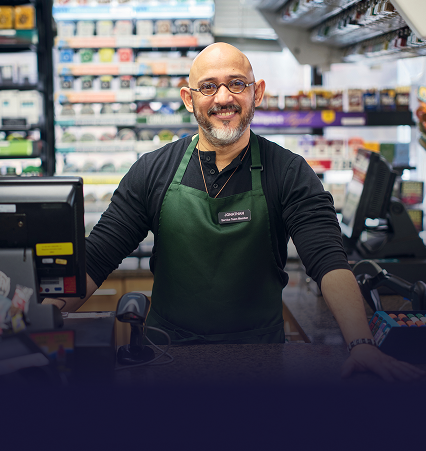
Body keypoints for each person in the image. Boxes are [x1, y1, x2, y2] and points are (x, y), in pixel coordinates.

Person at [46, 42, 425, 382]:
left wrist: (361, 343)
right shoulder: (153, 171)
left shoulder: (288, 171)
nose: (223, 97)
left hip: (259, 360)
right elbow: (95, 260)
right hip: (166, 357)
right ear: (189, 98)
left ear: (256, 93)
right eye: (208, 86)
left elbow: (329, 262)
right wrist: (32, 321)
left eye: (237, 84)